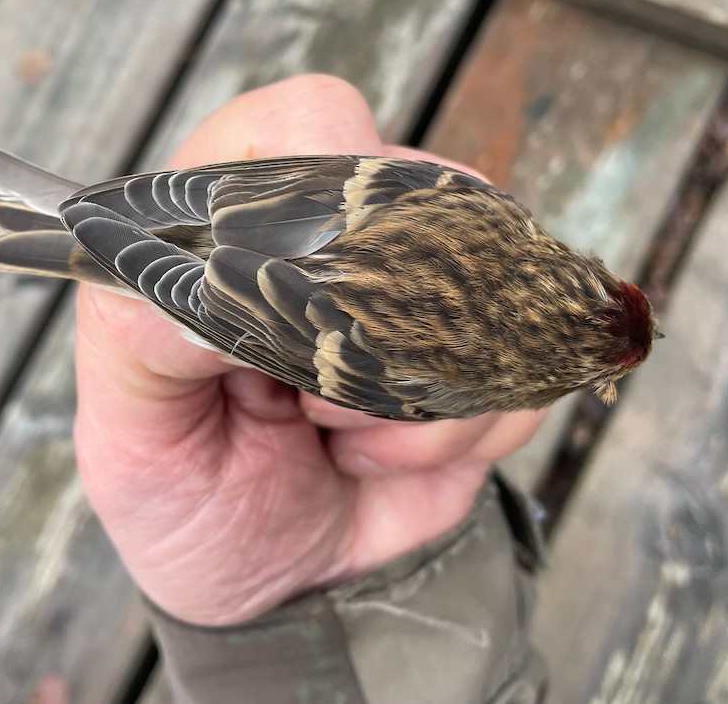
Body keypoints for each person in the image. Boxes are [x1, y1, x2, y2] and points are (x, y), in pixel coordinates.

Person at [72, 75, 551, 702]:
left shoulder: (495, 217)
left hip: (250, 215)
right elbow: (315, 347)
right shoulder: (462, 387)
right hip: (249, 302)